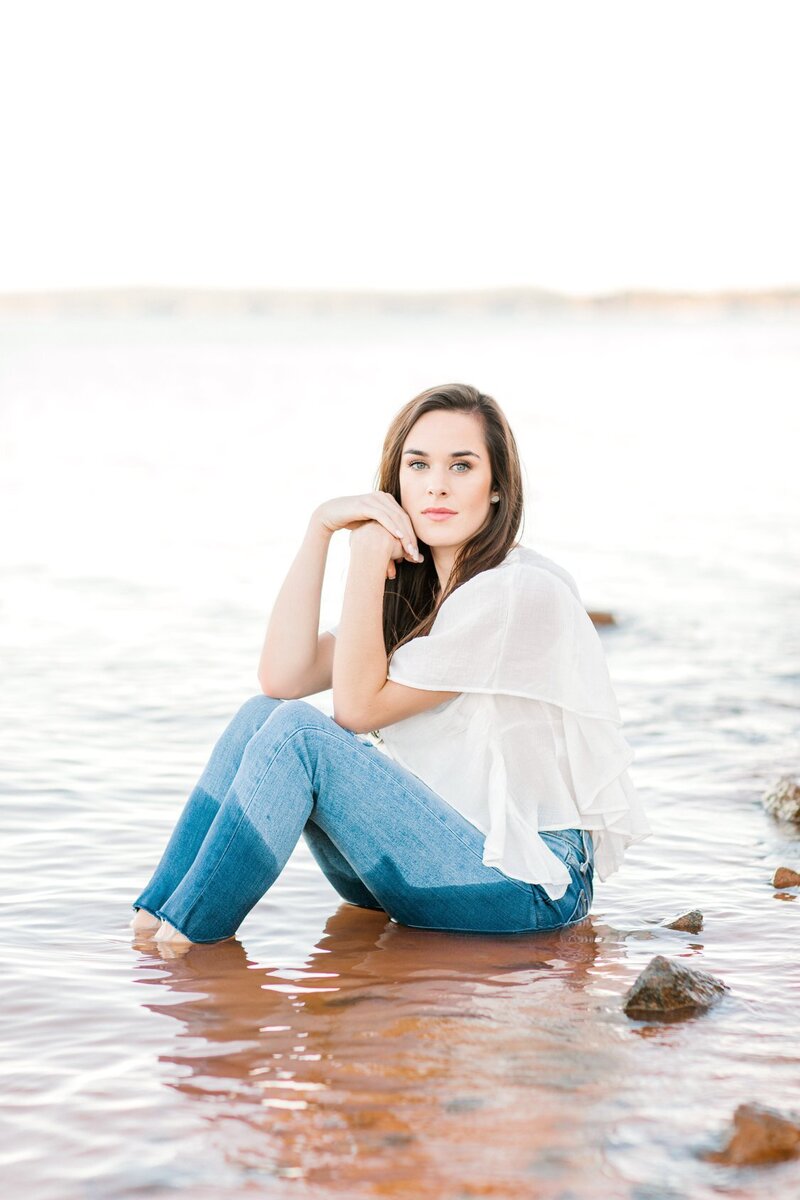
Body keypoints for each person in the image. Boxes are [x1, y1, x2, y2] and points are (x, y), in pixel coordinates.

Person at [131, 383, 651, 946]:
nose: (436, 485)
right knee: (264, 713)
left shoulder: (514, 591)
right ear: (396, 479)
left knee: (300, 737)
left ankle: (185, 948)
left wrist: (366, 553)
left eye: (462, 466)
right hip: (436, 858)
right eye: (419, 464)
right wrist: (320, 529)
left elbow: (353, 711)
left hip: (527, 887)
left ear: (498, 486)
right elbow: (283, 677)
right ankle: (152, 923)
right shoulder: (426, 594)